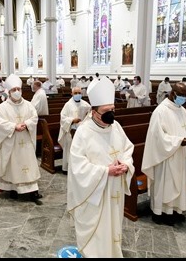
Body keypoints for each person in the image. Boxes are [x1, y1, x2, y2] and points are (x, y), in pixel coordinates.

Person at [67, 76, 135, 258]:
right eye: (106, 111)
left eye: (112, 110)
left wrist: (126, 165)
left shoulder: (116, 126)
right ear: (94, 112)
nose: (111, 115)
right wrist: (106, 171)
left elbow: (128, 148)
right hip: (95, 192)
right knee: (98, 227)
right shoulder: (83, 132)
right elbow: (77, 166)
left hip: (115, 189)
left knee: (113, 224)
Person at [141, 82, 186, 226]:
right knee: (166, 184)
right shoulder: (161, 111)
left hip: (181, 154)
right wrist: (179, 141)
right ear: (173, 94)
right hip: (166, 156)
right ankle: (160, 213)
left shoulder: (182, 110)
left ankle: (175, 210)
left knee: (179, 182)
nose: (184, 99)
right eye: (181, 96)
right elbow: (157, 137)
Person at [0, 74, 43, 205]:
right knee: (13, 164)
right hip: (12, 141)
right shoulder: (3, 107)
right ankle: (13, 188)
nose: (16, 92)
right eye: (13, 90)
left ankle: (33, 190)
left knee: (29, 163)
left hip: (26, 139)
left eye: (18, 89)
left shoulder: (28, 105)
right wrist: (13, 126)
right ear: (9, 92)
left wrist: (26, 124)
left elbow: (34, 118)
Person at [57, 86, 91, 174]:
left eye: (79, 93)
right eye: (75, 93)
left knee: (81, 150)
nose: (77, 95)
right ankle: (68, 168)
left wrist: (86, 118)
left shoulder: (86, 105)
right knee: (70, 149)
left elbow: (90, 116)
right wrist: (72, 120)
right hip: (70, 132)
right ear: (71, 94)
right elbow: (63, 118)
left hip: (82, 132)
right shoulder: (68, 105)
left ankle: (80, 168)